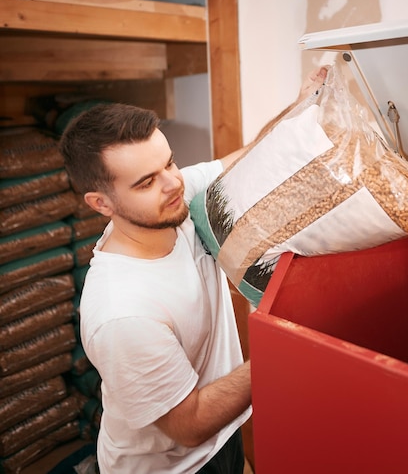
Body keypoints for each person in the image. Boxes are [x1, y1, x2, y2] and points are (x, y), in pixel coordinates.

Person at [59, 66, 328, 474]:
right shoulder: (122, 313)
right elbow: (190, 424)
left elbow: (248, 157)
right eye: (147, 181)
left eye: (170, 163)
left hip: (225, 435)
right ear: (101, 204)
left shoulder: (172, 200)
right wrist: (286, 350)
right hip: (174, 467)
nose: (173, 183)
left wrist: (303, 102)